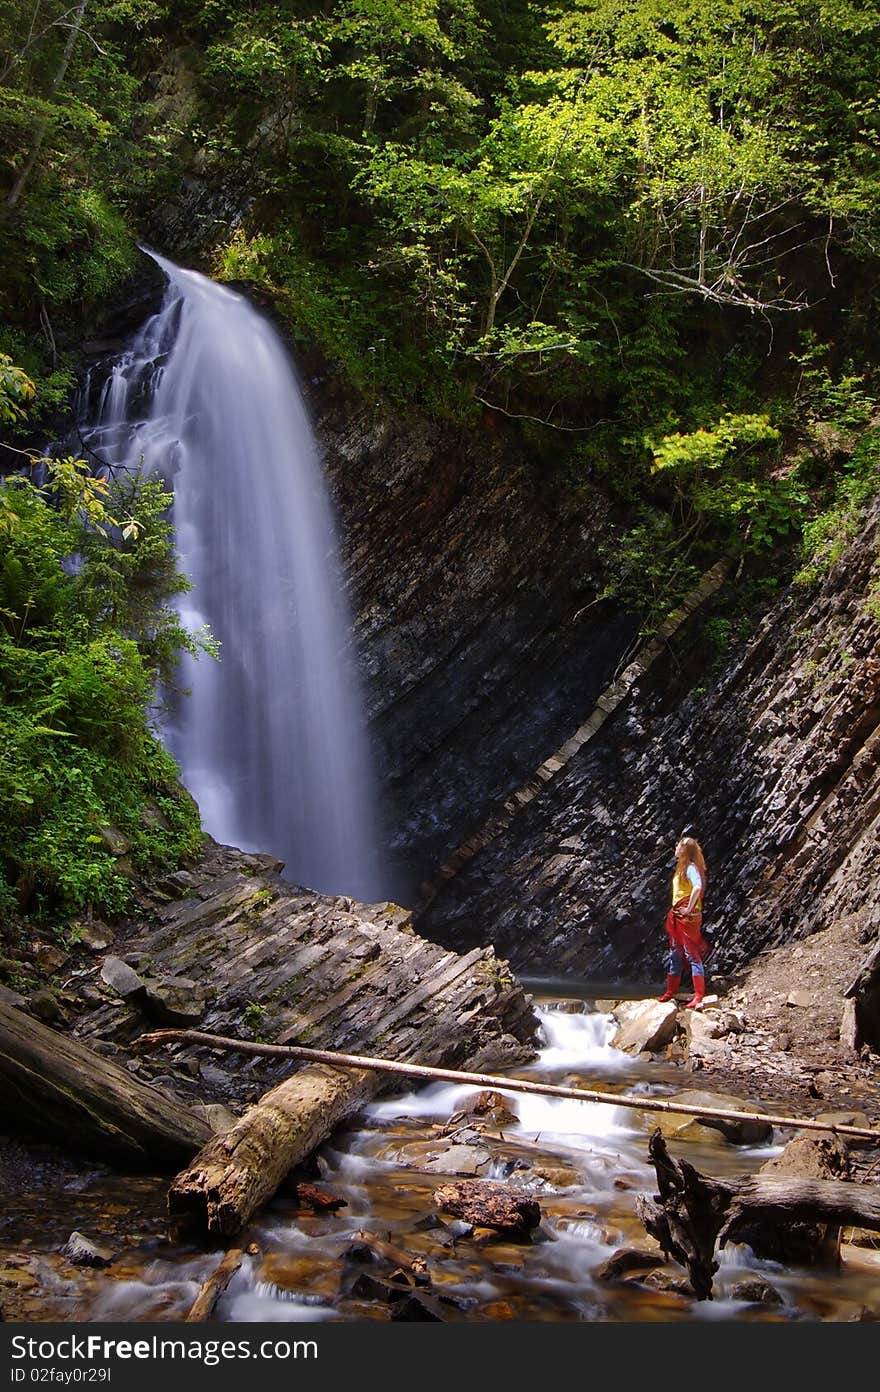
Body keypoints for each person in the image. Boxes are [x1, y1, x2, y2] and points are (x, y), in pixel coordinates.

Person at [657, 834, 708, 1010]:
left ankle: (699, 995)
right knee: (675, 953)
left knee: (691, 953)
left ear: (685, 850)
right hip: (678, 915)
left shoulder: (690, 868)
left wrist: (689, 908)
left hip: (687, 916)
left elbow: (697, 887)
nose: (676, 848)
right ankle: (671, 991)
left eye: (679, 846)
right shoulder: (682, 868)